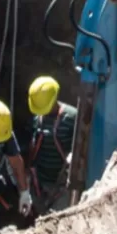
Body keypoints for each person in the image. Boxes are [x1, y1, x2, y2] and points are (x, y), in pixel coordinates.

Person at [26, 76, 77, 211]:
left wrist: (74, 155)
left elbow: (82, 145)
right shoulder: (37, 117)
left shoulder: (72, 117)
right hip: (40, 182)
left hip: (62, 185)